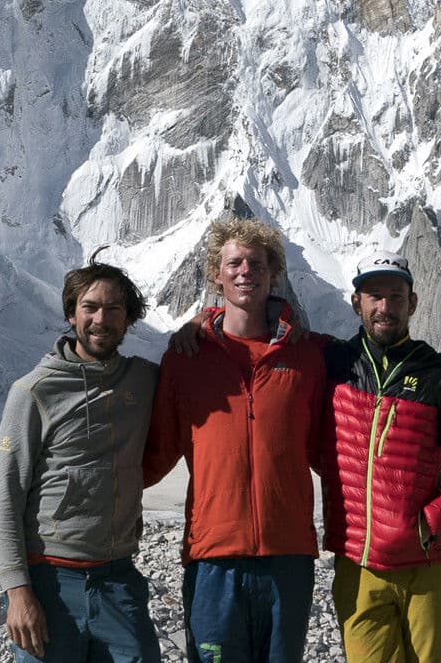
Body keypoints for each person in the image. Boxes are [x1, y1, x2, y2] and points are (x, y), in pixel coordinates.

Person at [142, 216, 330, 663]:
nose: (246, 271)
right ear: (215, 274)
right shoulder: (185, 358)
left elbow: (334, 444)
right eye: (235, 263)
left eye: (257, 263)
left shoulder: (310, 355)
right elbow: (158, 451)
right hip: (214, 555)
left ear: (273, 273)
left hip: (289, 555)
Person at [322, 252, 441, 663]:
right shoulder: (333, 364)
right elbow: (278, 344)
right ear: (356, 302)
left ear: (413, 303)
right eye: (374, 296)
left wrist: (430, 522)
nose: (385, 307)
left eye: (396, 297)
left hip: (425, 567)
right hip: (357, 563)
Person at [0, 254, 162, 662]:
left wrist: (202, 326)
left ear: (129, 320)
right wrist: (17, 592)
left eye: (114, 309)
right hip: (50, 582)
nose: (101, 319)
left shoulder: (143, 380)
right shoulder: (34, 391)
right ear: (71, 314)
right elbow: (3, 496)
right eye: (90, 307)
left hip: (118, 578)